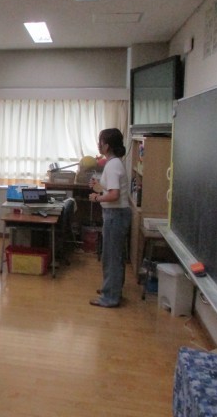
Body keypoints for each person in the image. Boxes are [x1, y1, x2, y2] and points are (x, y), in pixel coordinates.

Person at [88, 128, 131, 309]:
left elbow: (114, 195)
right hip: (116, 214)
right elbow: (111, 190)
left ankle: (110, 297)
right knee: (114, 256)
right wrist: (99, 187)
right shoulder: (115, 163)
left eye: (101, 142)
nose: (99, 145)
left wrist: (96, 198)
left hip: (115, 215)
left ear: (107, 146)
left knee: (112, 257)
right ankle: (112, 289)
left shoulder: (112, 165)